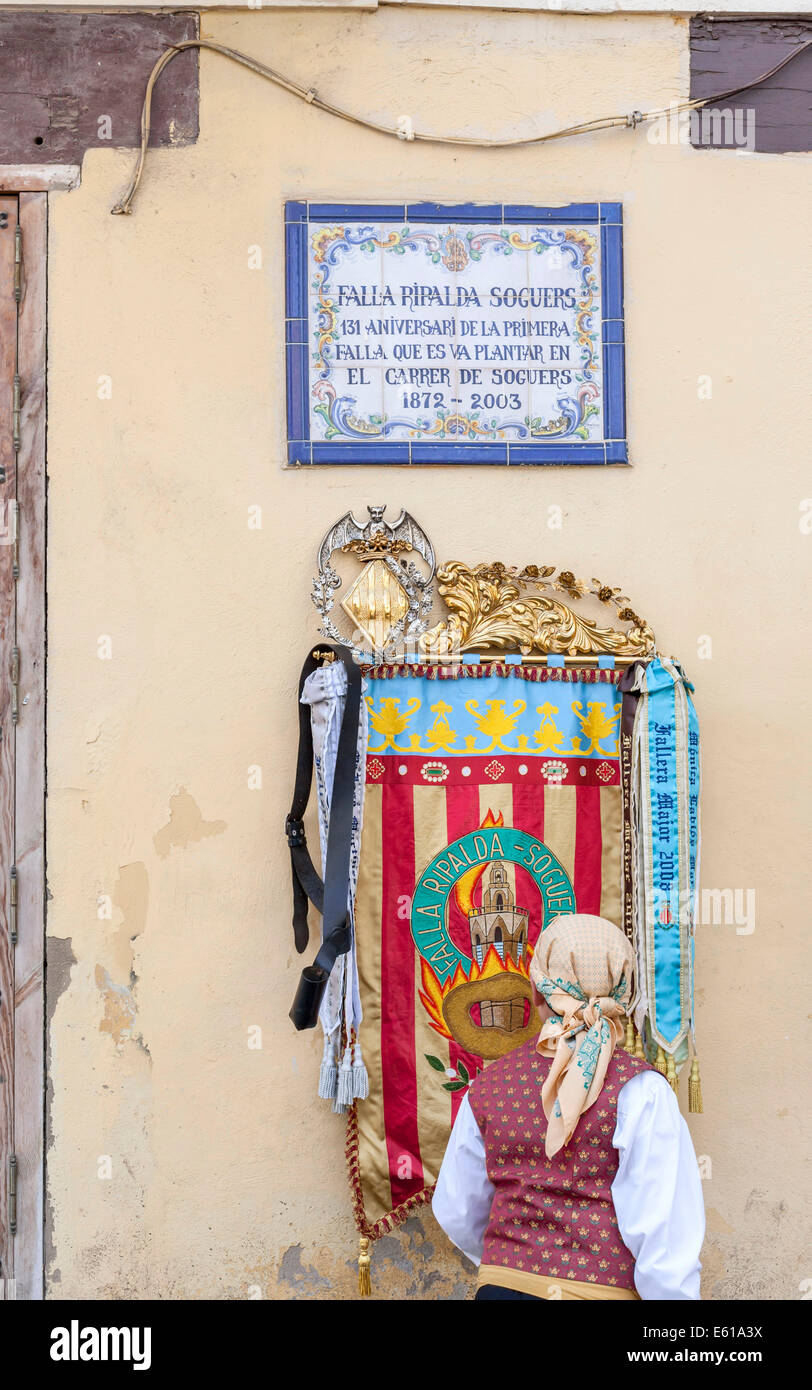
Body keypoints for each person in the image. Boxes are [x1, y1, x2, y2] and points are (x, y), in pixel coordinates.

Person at [432, 913, 705, 1300]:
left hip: (501, 1289)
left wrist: (510, 1261)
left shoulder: (488, 1084)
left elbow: (457, 1210)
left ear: (538, 990)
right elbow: (663, 1235)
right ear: (623, 992)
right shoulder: (641, 1090)